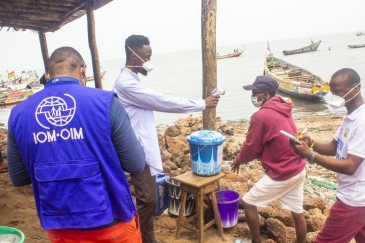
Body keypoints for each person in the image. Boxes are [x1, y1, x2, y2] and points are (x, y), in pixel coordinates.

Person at [7, 46, 146, 243]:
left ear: (47, 74)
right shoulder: (105, 102)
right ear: (83, 70)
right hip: (111, 227)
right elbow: (136, 164)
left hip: (60, 228)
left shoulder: (19, 114)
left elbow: (19, 178)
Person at [113, 34, 220, 243]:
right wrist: (201, 104)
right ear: (134, 56)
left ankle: (143, 236)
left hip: (141, 148)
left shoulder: (131, 80)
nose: (149, 61)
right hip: (137, 151)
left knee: (148, 199)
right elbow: (160, 101)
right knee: (148, 199)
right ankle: (141, 238)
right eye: (147, 56)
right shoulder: (126, 84)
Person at [290, 68, 365, 243]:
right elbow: (333, 147)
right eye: (332, 93)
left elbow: (350, 166)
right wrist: (312, 144)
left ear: (355, 88)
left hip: (353, 200)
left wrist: (310, 156)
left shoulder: (362, 122)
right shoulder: (350, 117)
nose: (334, 97)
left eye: (338, 91)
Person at [231, 76, 307, 243]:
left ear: (265, 94)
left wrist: (238, 160)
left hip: (282, 172)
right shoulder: (284, 107)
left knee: (249, 203)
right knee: (297, 211)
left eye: (255, 93)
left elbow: (250, 148)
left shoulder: (261, 116)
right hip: (298, 168)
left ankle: (256, 241)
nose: (253, 96)